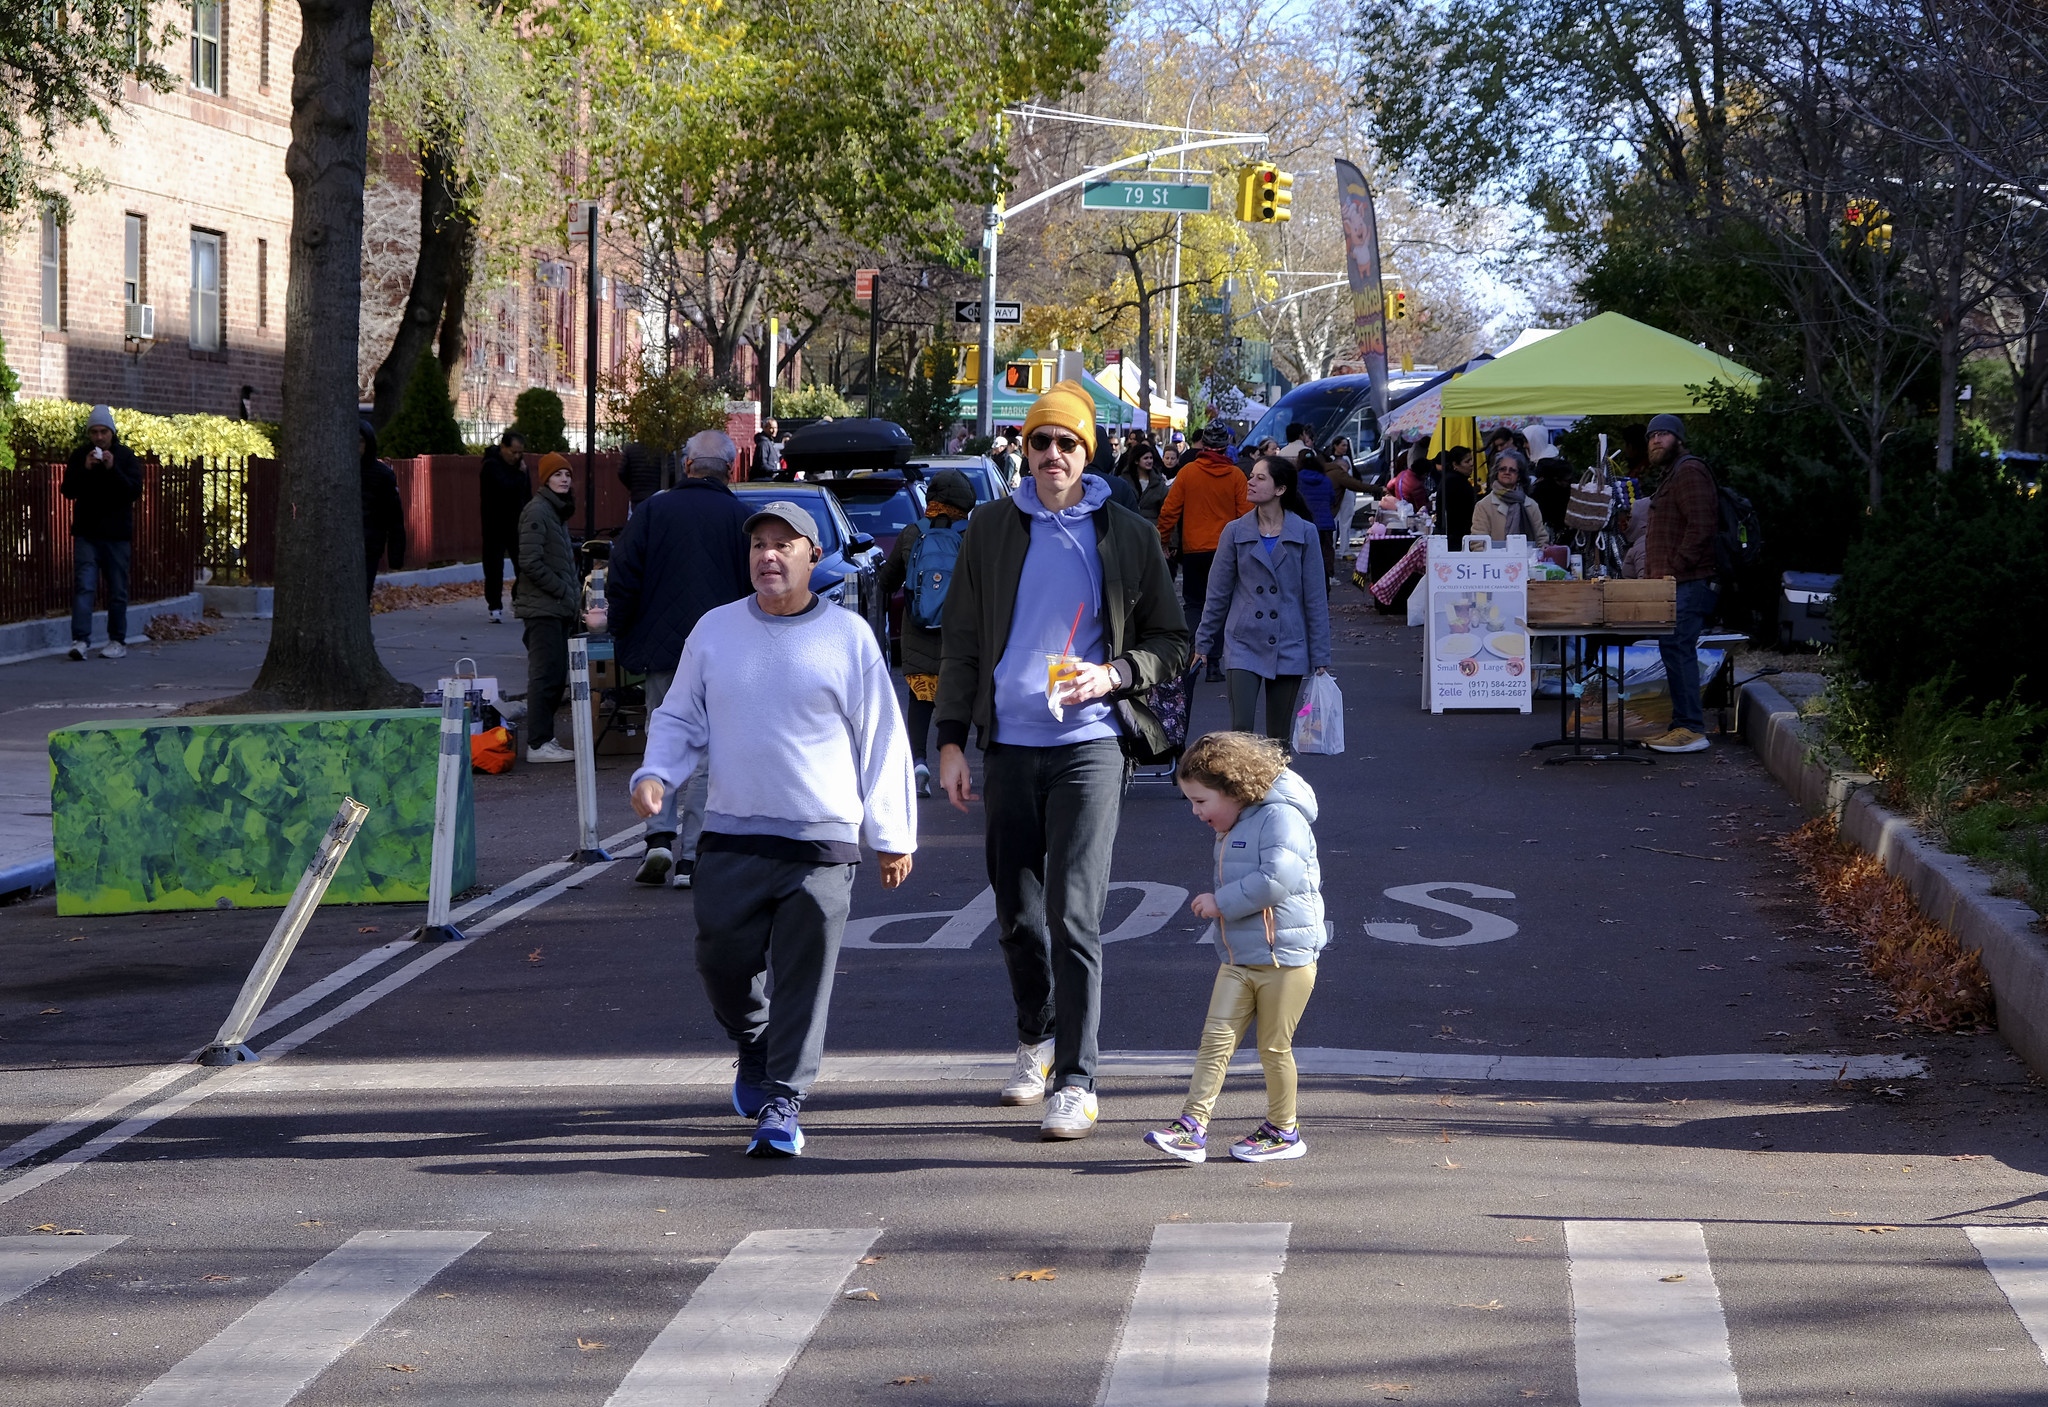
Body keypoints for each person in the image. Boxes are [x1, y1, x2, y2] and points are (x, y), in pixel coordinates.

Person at [935, 379, 1189, 1140]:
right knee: (1015, 916)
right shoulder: (989, 526)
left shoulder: (1127, 532)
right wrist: (950, 740)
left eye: (1067, 443)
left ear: (1088, 451)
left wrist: (1112, 674)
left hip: (1089, 747)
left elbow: (1173, 643)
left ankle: (1077, 1078)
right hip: (1009, 742)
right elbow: (962, 641)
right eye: (1041, 441)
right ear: (1027, 449)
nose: (1052, 455)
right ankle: (1035, 1039)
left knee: (1073, 914)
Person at [631, 498, 916, 1158]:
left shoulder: (848, 637)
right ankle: (753, 1039)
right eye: (759, 543)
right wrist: (657, 773)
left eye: (783, 544)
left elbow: (882, 736)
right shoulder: (714, 630)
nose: (768, 554)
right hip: (732, 833)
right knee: (721, 959)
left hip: (822, 841)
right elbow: (680, 717)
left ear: (813, 557)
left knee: (805, 974)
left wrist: (892, 830)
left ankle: (785, 1097)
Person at [1144, 731, 1326, 1165]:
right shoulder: (1239, 821)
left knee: (1273, 1048)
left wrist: (1218, 902)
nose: (1195, 812)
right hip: (1238, 957)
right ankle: (1192, 1126)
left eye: (1201, 801)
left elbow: (1275, 880)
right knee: (1214, 1042)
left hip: (1284, 959)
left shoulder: (1283, 817)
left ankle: (1284, 1130)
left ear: (1234, 788)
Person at [608, 429, 754, 887]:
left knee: (663, 736)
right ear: (729, 470)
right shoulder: (743, 520)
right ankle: (693, 855)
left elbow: (622, 577)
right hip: (726, 652)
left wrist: (623, 631)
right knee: (713, 750)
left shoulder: (653, 511)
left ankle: (656, 840)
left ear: (687, 465)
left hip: (664, 650)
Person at [1192, 457, 1332, 745]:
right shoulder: (1235, 531)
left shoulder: (1305, 533)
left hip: (1289, 641)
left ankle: (1275, 788)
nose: (1250, 483)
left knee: (1277, 736)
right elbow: (1217, 592)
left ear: (1280, 489)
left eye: (1259, 478)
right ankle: (1243, 789)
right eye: (1251, 476)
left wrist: (1320, 655)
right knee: (1241, 729)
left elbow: (1315, 599)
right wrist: (1203, 642)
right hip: (1243, 640)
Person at [880, 467, 976, 797]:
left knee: (921, 700)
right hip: (962, 636)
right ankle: (959, 761)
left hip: (918, 632)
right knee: (964, 700)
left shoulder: (912, 534)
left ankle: (919, 762)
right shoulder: (973, 534)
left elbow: (886, 581)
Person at [1643, 413, 1719, 754]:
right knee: (1673, 651)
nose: (1656, 440)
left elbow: (1701, 526)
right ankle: (1681, 725)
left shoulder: (1689, 470)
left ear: (1679, 439)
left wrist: (1675, 567)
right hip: (1672, 583)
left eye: (1664, 434)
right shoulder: (1671, 475)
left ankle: (1691, 728)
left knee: (1679, 650)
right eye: (1652, 436)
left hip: (1687, 582)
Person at [1157, 421, 1250, 683]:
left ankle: (1192, 657)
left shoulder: (1189, 473)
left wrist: (1164, 539)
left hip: (1194, 549)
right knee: (1221, 605)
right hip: (1226, 550)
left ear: (1203, 445)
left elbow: (1169, 510)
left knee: (1195, 604)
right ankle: (1214, 665)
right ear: (1226, 447)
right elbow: (1246, 516)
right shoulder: (1236, 477)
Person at [514, 453, 582, 764]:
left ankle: (545, 740)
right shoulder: (538, 511)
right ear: (545, 479)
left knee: (555, 676)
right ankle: (538, 744)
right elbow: (529, 561)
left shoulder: (555, 512)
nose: (565, 479)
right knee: (545, 676)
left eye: (567, 474)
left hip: (555, 607)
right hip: (543, 609)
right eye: (558, 475)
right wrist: (562, 589)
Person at [62, 405, 143, 661]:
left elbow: (133, 491)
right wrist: (85, 468)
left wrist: (112, 469)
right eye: (94, 432)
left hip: (117, 536)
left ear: (111, 432)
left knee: (117, 589)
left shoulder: (125, 457)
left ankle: (117, 640)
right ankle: (80, 640)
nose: (99, 437)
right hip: (87, 533)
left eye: (103, 431)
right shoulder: (80, 456)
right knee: (84, 587)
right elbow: (68, 490)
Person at [480, 431, 531, 623]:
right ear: (503, 448)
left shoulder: (522, 467)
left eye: (520, 453)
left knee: (524, 564)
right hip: (494, 523)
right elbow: (505, 487)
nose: (517, 457)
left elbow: (527, 493)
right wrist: (520, 475)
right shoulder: (490, 466)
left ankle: (518, 597)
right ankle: (494, 605)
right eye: (513, 452)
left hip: (518, 523)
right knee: (494, 566)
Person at [359, 420, 406, 601]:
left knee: (363, 591)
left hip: (370, 543)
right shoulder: (341, 470)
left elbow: (394, 517)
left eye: (361, 441)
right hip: (343, 543)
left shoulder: (382, 475)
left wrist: (396, 554)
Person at [1471, 450, 1551, 546]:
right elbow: (1478, 543)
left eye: (1512, 470)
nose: (1507, 472)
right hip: (1493, 559)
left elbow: (1541, 540)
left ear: (1519, 475)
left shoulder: (1531, 505)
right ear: (1497, 472)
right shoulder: (1484, 505)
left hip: (1527, 558)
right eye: (1503, 469)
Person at [1434, 444, 1478, 546]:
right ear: (1455, 465)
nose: (1472, 464)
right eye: (1467, 461)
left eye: (1471, 460)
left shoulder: (1450, 478)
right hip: (1455, 538)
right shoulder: (1456, 482)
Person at [1118, 441, 1170, 523]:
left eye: (1151, 458)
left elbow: (1166, 509)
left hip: (1151, 528)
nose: (1149, 461)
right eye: (1146, 458)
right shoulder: (1123, 481)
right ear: (1136, 461)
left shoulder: (1158, 482)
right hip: (1129, 526)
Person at [618, 439, 661, 511]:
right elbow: (672, 471)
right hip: (657, 494)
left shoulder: (630, 449)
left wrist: (632, 486)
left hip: (637, 495)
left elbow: (621, 472)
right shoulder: (662, 449)